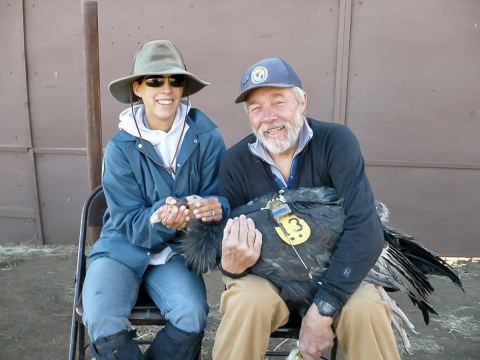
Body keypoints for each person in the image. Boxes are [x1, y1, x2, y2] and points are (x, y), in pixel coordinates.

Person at [212, 58, 401, 360]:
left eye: (278, 102)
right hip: (268, 281)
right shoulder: (235, 161)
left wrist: (324, 307)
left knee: (366, 307)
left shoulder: (336, 142)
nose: (269, 117)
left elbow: (365, 228)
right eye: (256, 108)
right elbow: (227, 246)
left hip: (336, 274)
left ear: (302, 102)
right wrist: (230, 266)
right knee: (246, 300)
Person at [81, 40, 229, 360]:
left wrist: (216, 207)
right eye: (154, 80)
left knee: (191, 315)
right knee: (101, 319)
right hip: (120, 248)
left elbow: (222, 195)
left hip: (175, 251)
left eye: (176, 80)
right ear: (138, 88)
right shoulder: (120, 148)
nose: (167, 88)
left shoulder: (207, 138)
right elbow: (127, 222)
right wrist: (160, 218)